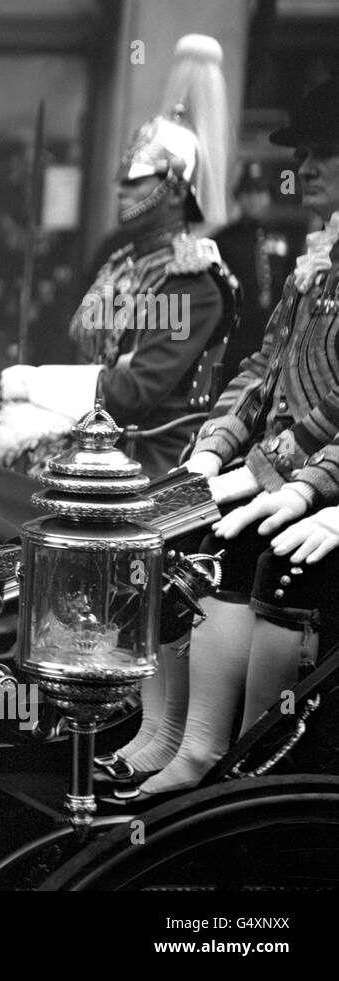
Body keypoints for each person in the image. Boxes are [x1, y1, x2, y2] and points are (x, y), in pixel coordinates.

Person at [106, 75, 339, 803]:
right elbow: (262, 369)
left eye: (326, 155)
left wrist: (284, 475)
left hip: (318, 480)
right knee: (174, 541)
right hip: (281, 471)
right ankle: (168, 735)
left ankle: (239, 762)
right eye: (305, 153)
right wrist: (215, 445)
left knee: (265, 562)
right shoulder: (315, 262)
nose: (305, 168)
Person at [0, 35, 237, 480]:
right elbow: (90, 350)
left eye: (136, 180)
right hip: (97, 432)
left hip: (151, 453)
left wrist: (36, 382)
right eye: (122, 178)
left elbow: (135, 390)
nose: (121, 188)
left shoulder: (190, 278)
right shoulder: (124, 260)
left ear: (175, 190)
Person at [214, 162, 297, 378]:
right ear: (238, 197)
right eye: (248, 192)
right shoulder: (223, 241)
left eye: (260, 192)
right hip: (235, 338)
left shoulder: (284, 237)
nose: (254, 199)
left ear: (269, 196)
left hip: (274, 335)